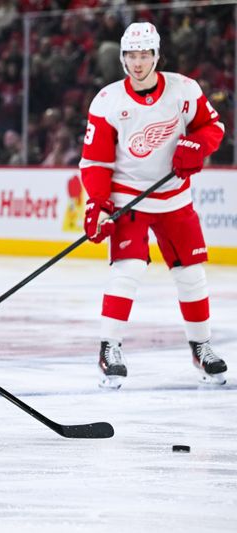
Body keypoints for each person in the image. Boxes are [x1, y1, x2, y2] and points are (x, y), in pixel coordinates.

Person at [79, 22, 227, 389]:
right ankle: (109, 347)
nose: (138, 62)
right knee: (127, 270)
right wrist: (97, 205)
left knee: (191, 274)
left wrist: (197, 146)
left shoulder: (184, 90)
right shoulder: (108, 99)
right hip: (128, 197)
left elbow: (213, 127)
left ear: (156, 55)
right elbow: (95, 161)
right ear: (122, 58)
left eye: (145, 54)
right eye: (131, 55)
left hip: (175, 198)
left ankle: (201, 346)